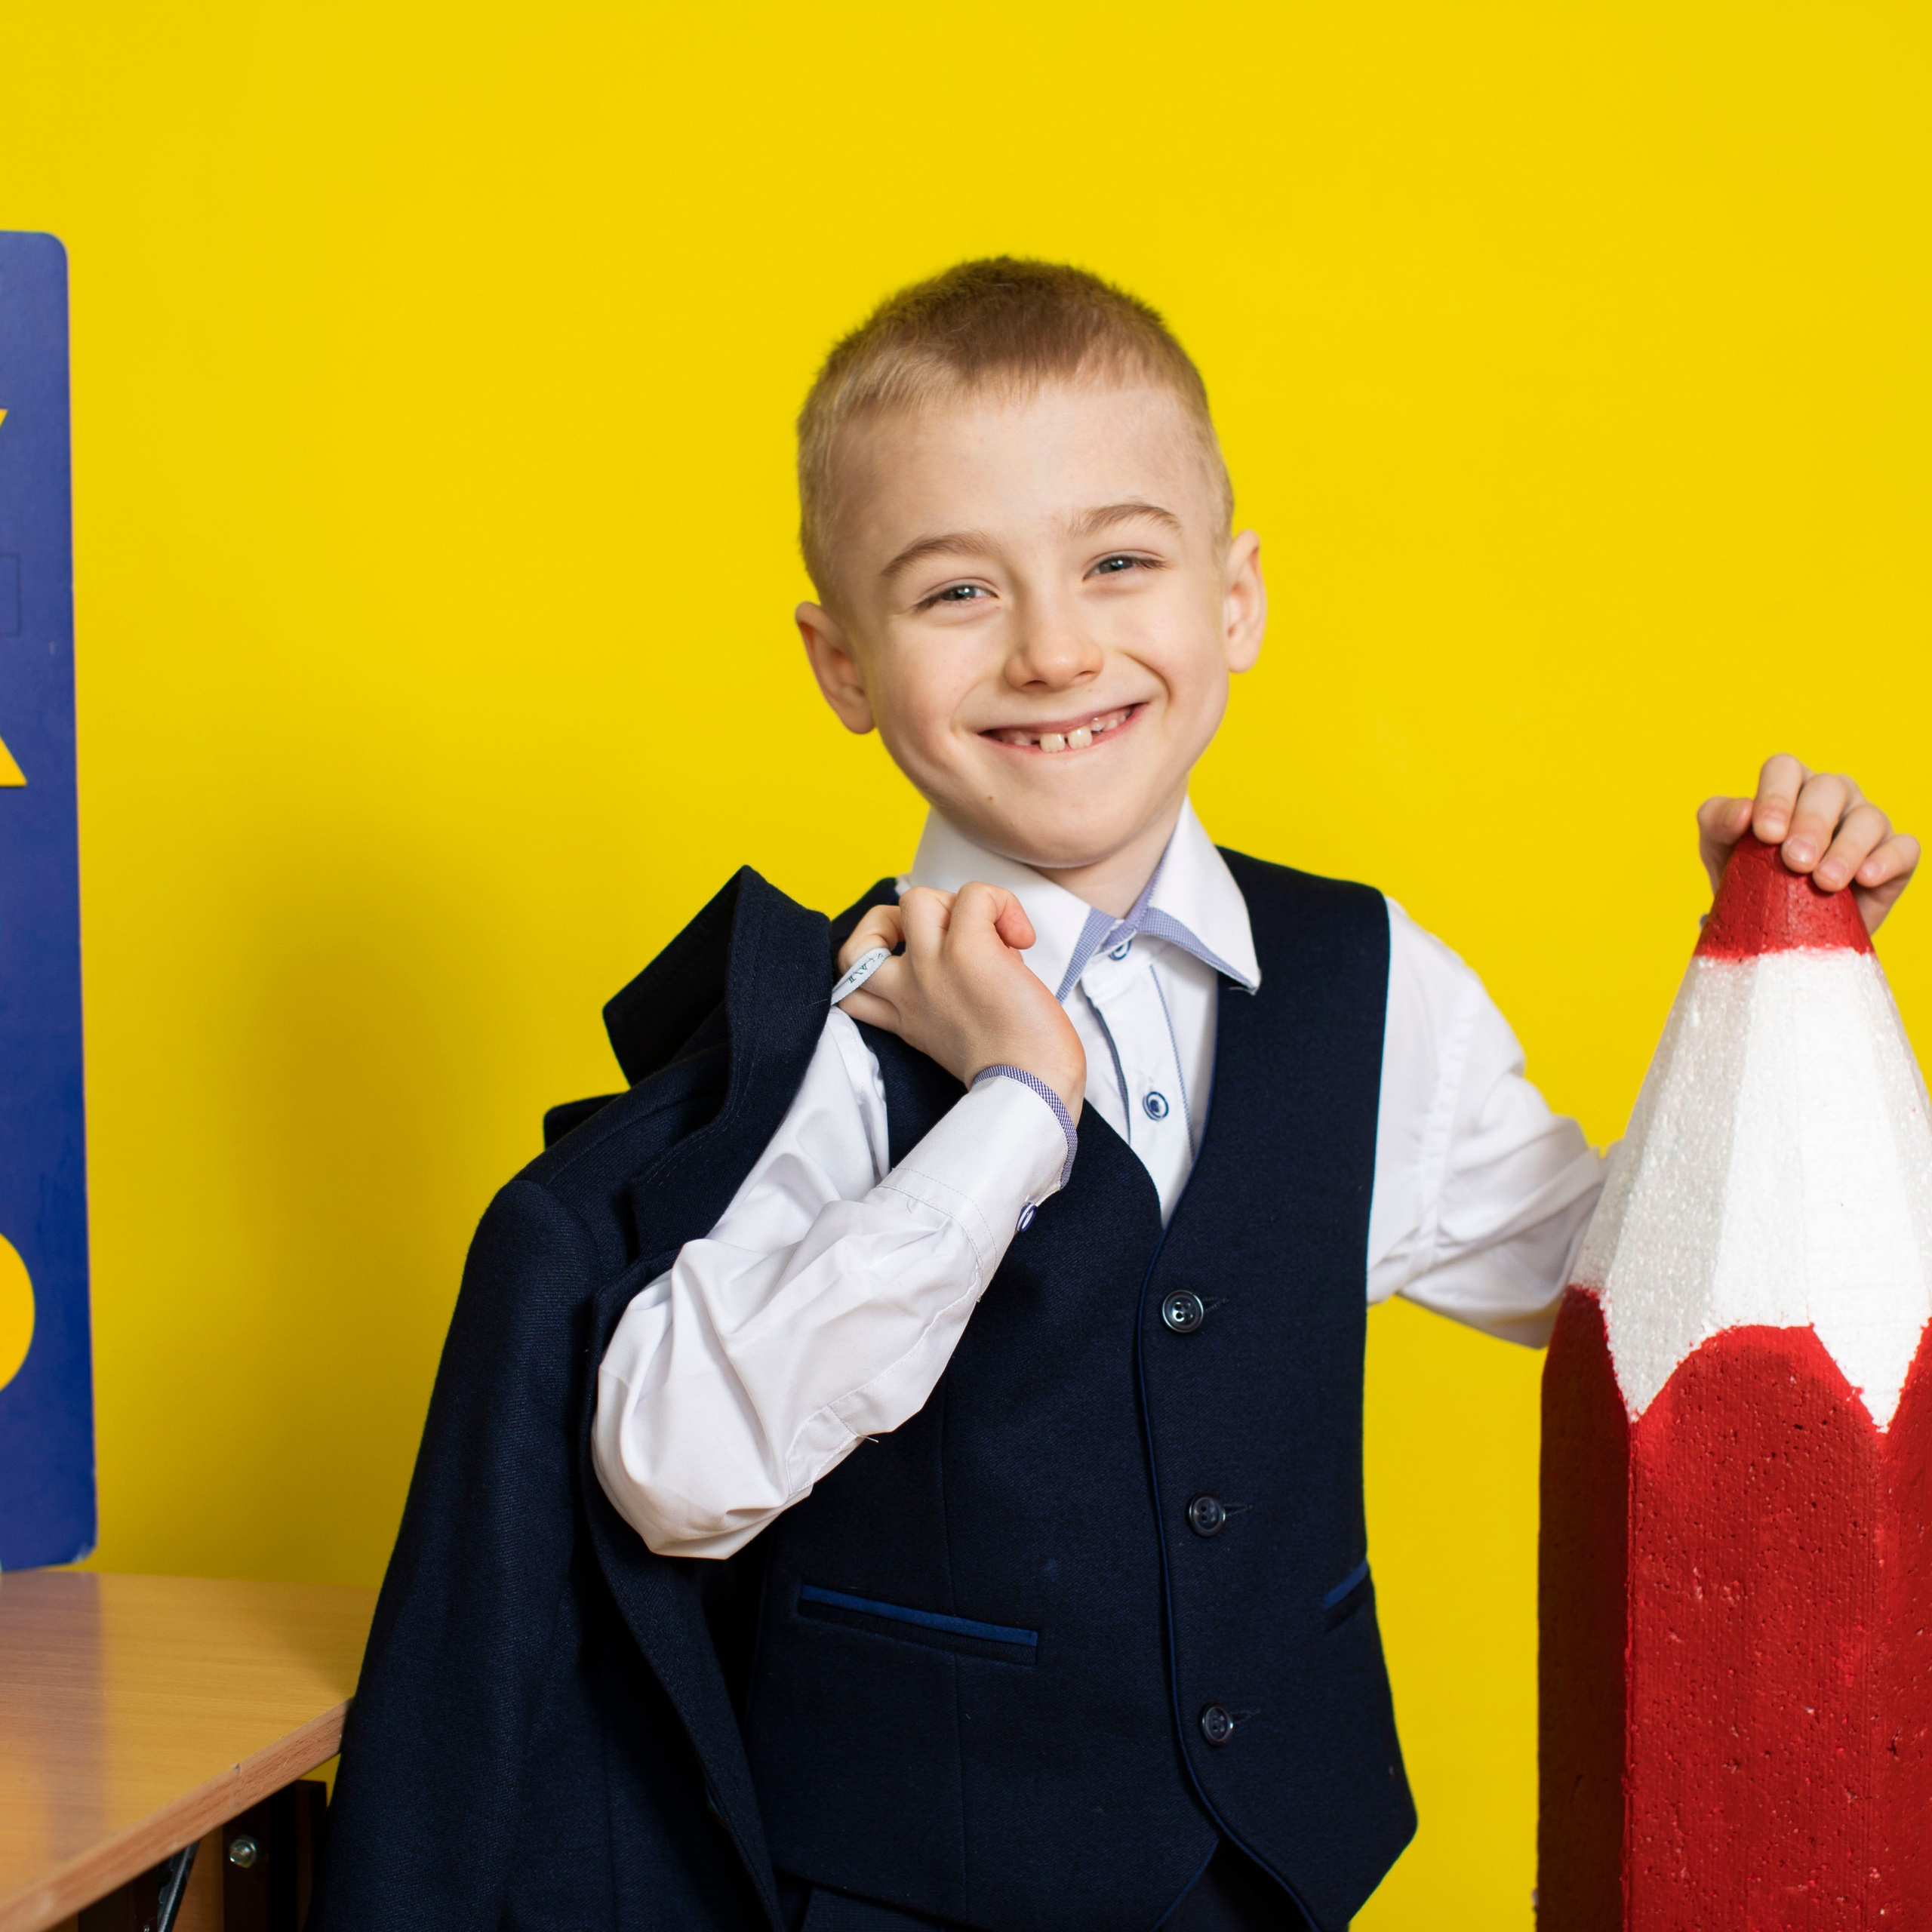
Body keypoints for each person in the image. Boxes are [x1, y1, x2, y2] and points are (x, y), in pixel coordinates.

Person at [313, 260, 1918, 1932]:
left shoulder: (1370, 976)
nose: (1056, 647)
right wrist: (1013, 1106)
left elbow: (1610, 1283)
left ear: (1235, 600)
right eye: (956, 590)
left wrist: (1776, 994)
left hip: (1277, 1873)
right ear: (841, 663)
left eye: (1119, 562)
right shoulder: (837, 1029)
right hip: (910, 1893)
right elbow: (671, 1461)